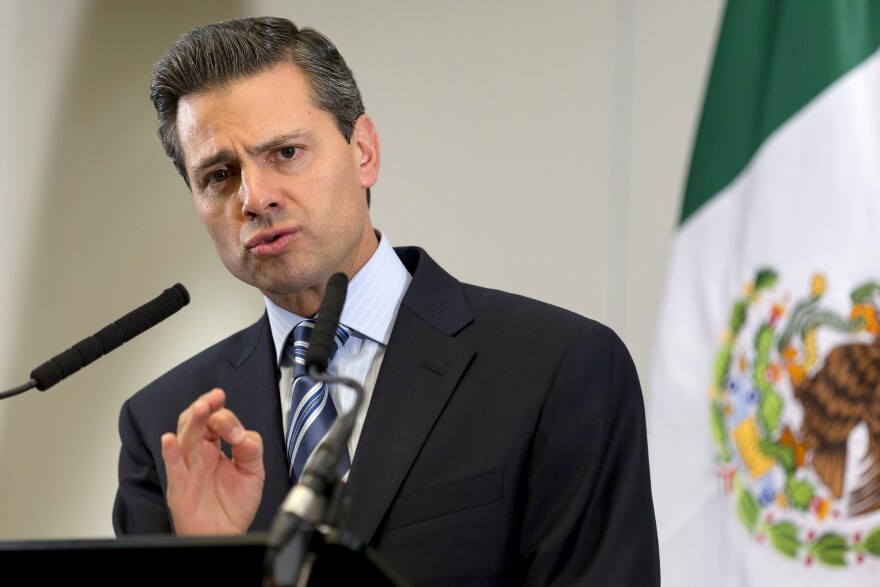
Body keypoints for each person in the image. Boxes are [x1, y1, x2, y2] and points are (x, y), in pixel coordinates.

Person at [112, 15, 660, 585]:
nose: (255, 197)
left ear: (364, 151)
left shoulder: (555, 369)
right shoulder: (167, 429)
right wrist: (213, 569)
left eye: (286, 153)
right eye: (220, 176)